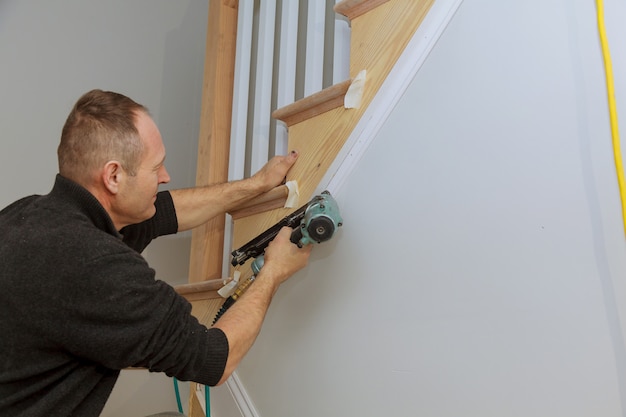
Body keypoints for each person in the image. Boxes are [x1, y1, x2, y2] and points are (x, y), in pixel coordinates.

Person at [0, 89, 313, 416]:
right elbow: (213, 359)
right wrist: (273, 272)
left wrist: (256, 185)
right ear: (114, 176)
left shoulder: (28, 216)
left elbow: (161, 213)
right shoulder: (96, 267)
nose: (166, 177)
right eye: (156, 168)